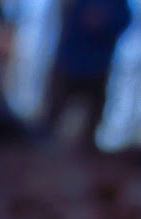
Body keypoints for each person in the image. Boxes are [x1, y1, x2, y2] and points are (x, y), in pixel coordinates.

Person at [47, 0, 131, 147]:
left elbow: (124, 19)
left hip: (98, 67)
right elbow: (65, 14)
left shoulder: (117, 3)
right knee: (52, 121)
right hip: (69, 64)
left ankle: (86, 151)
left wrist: (104, 20)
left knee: (91, 125)